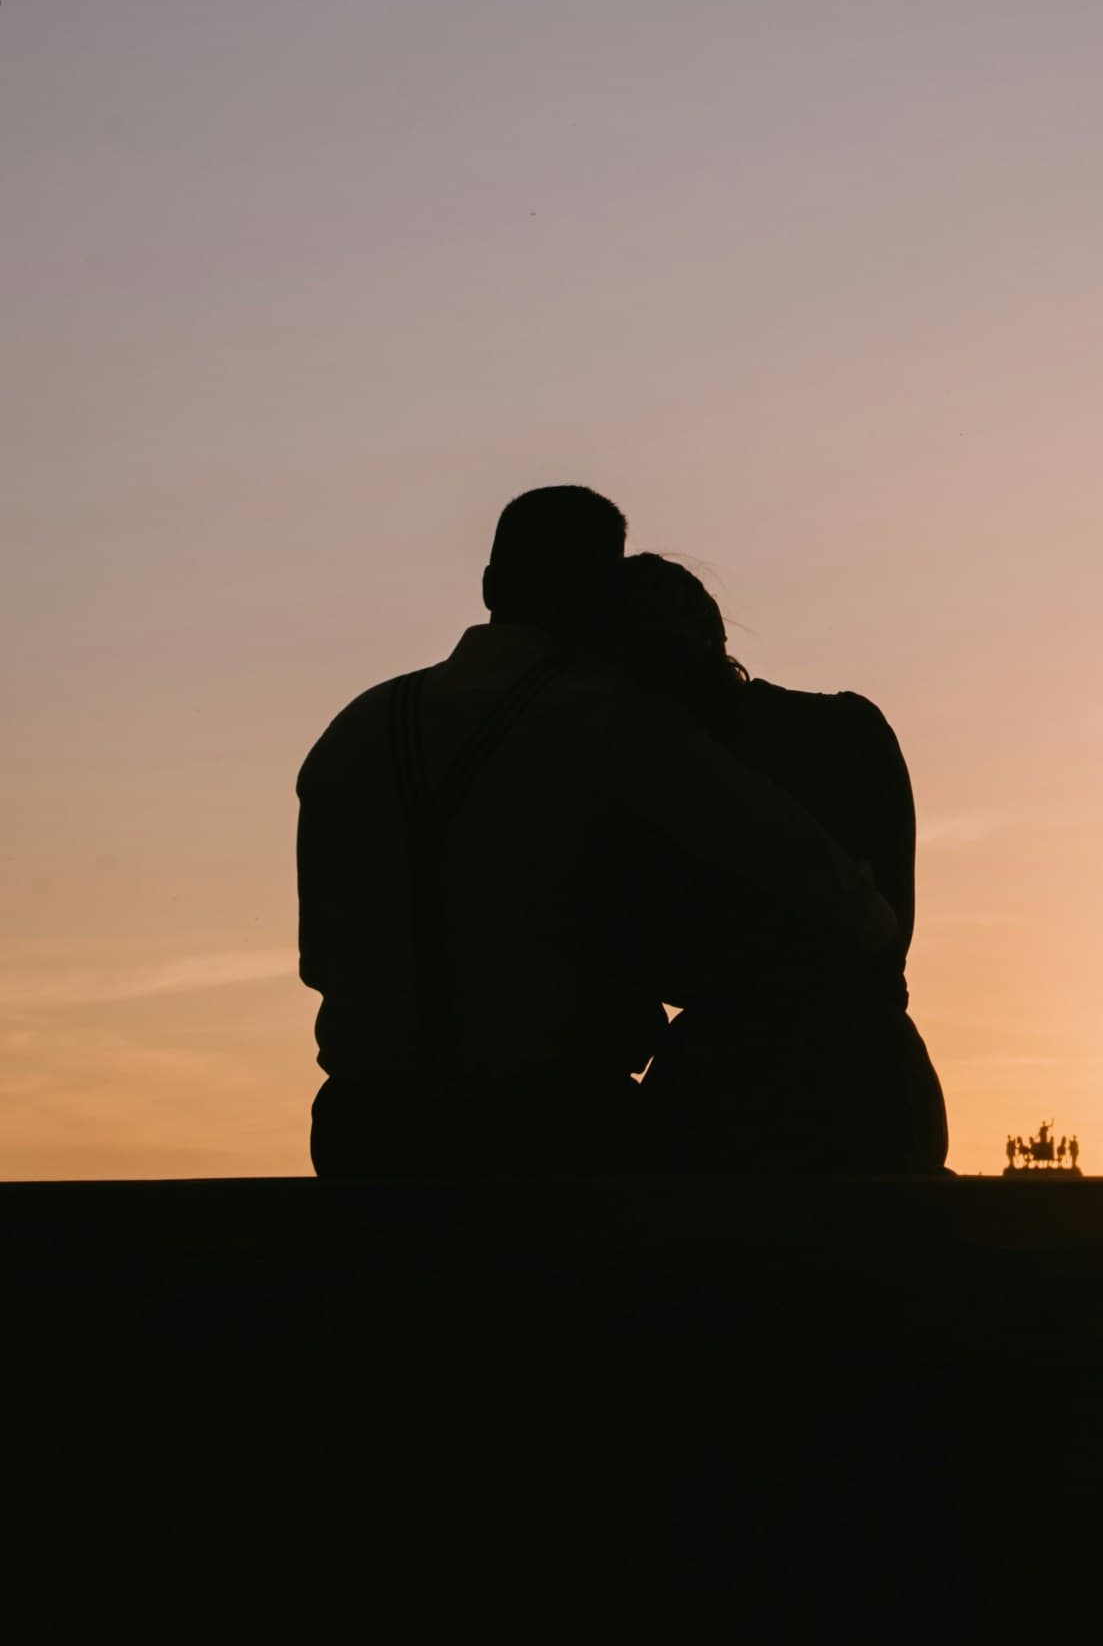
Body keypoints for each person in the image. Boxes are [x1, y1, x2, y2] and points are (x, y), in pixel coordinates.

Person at [297, 486, 897, 1177]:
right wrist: (868, 917)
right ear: (601, 595)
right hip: (550, 1127)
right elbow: (763, 833)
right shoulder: (605, 716)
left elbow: (325, 956)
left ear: (490, 584)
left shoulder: (353, 731)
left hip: (363, 1129)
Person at [616, 554, 948, 1174]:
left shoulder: (653, 781)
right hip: (877, 1081)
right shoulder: (851, 728)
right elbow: (887, 933)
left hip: (724, 1100)